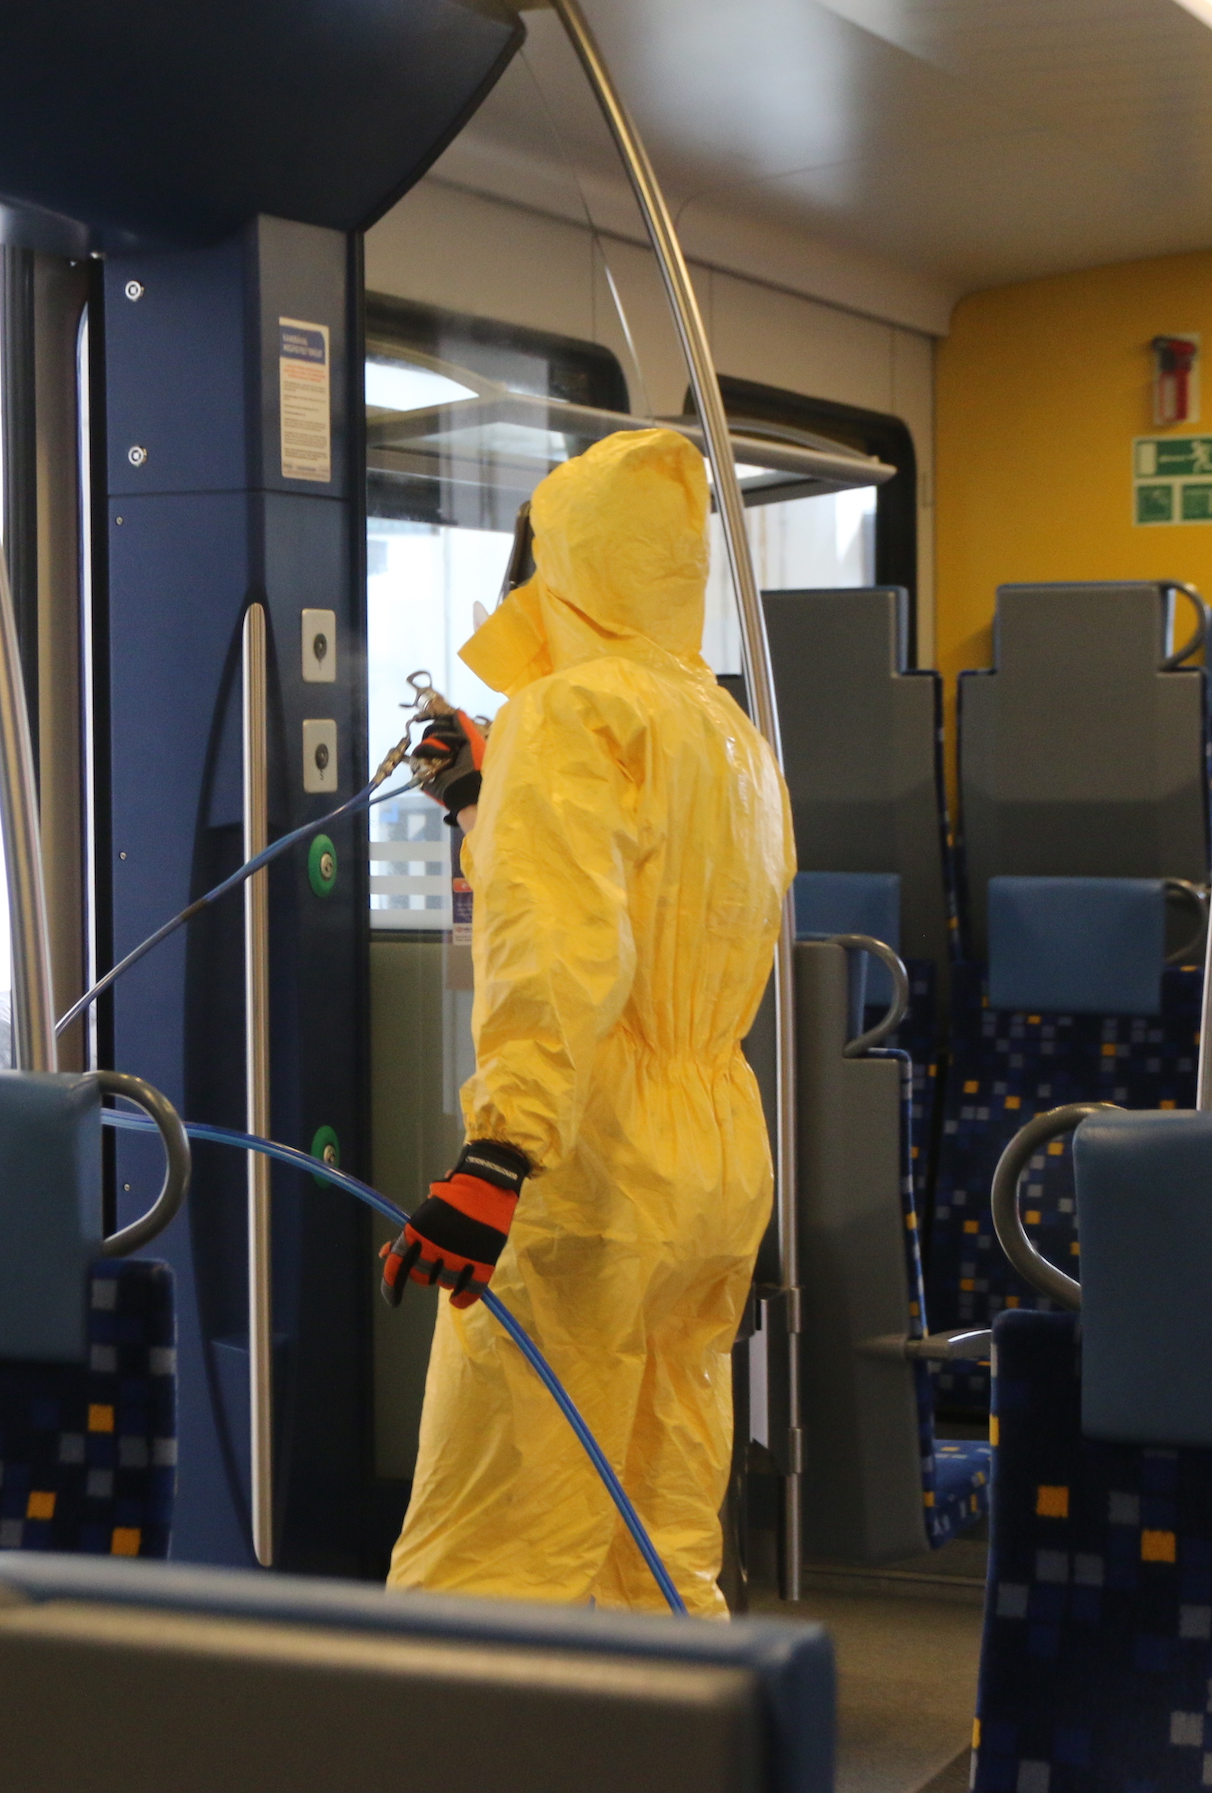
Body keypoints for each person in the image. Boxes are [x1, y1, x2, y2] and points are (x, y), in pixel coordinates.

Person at [380, 426, 791, 1613]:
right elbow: (649, 907)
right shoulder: (726, 731)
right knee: (658, 1515)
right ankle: (674, 1714)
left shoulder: (567, 713)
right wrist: (478, 800)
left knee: (502, 1537)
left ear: (568, 562)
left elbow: (558, 948)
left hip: (591, 1162)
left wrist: (499, 1154)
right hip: (714, 1151)